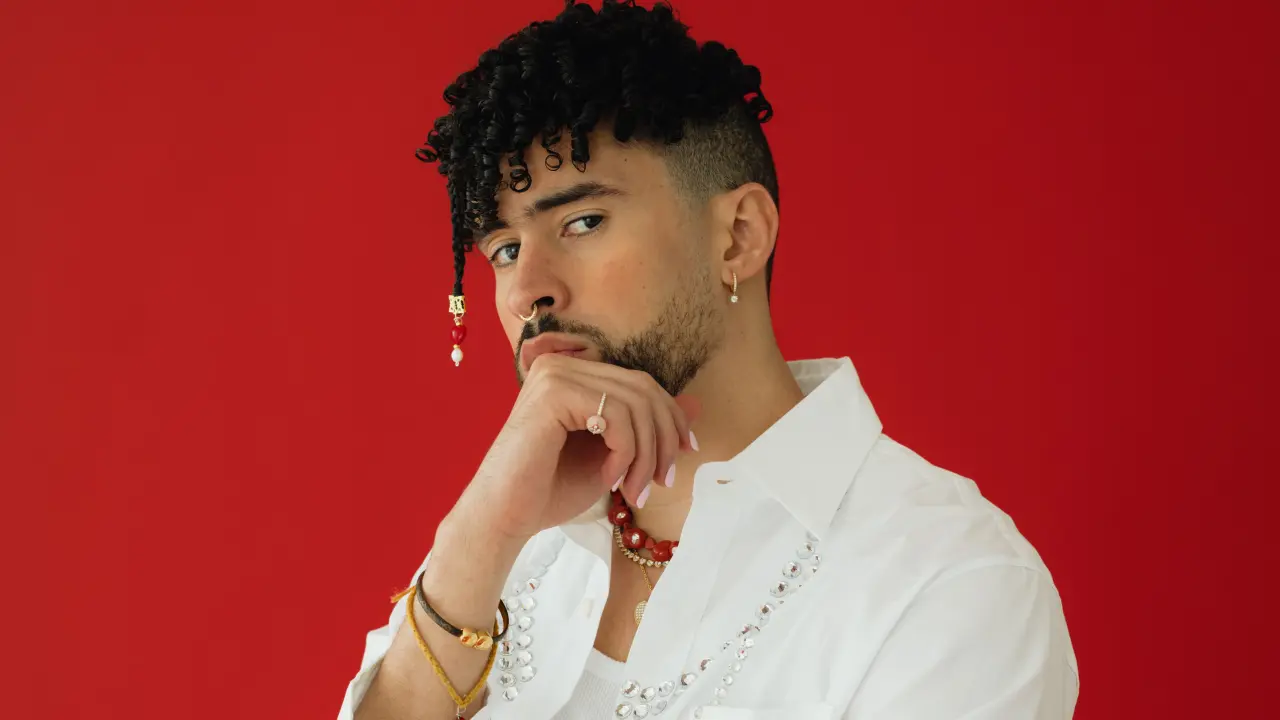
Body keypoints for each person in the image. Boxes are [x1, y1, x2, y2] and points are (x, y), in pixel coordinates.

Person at [339, 1, 1078, 718]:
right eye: (504, 250)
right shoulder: (502, 549)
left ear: (738, 236)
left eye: (583, 221)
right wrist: (481, 539)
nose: (526, 290)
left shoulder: (947, 583)